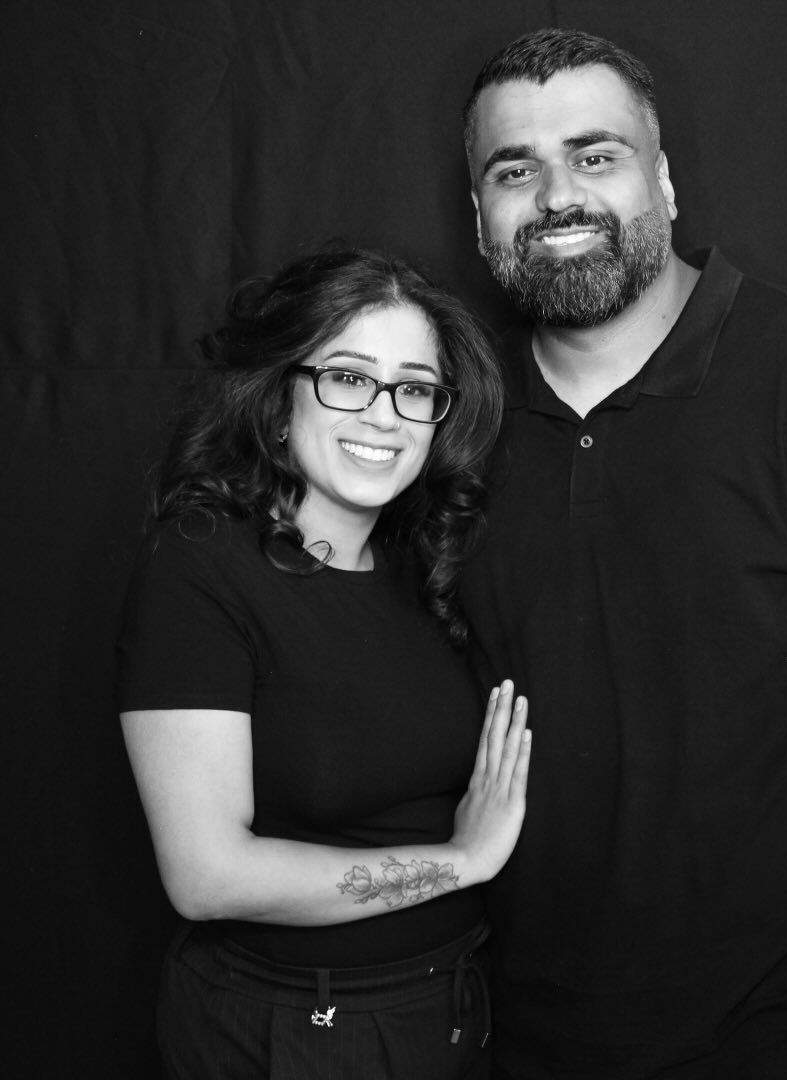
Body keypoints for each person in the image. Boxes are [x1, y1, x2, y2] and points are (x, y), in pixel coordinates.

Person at [458, 27, 787, 1079]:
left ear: (664, 181)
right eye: (514, 171)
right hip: (509, 1038)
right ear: (480, 219)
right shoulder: (448, 419)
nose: (559, 196)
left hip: (775, 1044)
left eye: (596, 155)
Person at [116, 246, 532, 1079]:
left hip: (454, 1006)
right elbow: (206, 876)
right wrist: (462, 861)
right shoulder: (200, 565)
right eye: (348, 378)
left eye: (415, 389)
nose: (384, 416)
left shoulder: (422, 570)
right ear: (279, 400)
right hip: (297, 1027)